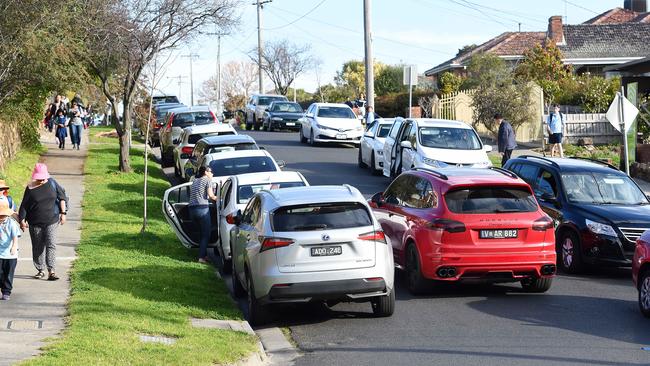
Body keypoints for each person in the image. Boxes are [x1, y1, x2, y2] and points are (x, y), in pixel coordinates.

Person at [18, 163, 68, 281]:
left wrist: (63, 213)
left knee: (51, 244)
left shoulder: (52, 183)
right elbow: (24, 206)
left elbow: (62, 198)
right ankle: (40, 269)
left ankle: (52, 271)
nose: (41, 180)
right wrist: (21, 220)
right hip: (35, 222)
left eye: (43, 178)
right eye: (39, 178)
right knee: (38, 246)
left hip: (52, 219)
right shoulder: (30, 188)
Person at [188, 166, 218, 264]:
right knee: (206, 234)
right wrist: (220, 198)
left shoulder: (195, 181)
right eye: (211, 171)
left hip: (192, 210)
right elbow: (211, 195)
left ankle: (204, 255)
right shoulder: (207, 180)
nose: (212, 173)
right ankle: (201, 258)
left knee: (201, 234)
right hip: (202, 209)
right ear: (206, 172)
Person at [0, 196, 20, 300]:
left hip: (10, 254)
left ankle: (6, 291)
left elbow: (15, 237)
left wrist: (14, 246)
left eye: (3, 215)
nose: (1, 218)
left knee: (8, 273)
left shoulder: (11, 223)